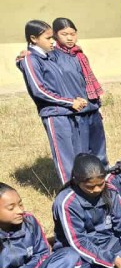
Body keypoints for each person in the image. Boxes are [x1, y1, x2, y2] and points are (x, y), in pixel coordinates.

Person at [16, 20, 94, 183]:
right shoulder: (30, 59)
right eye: (48, 38)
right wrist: (69, 102)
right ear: (33, 38)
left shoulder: (49, 57)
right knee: (65, 157)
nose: (52, 41)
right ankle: (69, 193)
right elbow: (39, 90)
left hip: (69, 111)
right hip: (55, 114)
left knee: (78, 155)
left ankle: (82, 188)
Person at [0, 183, 83, 268]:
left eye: (20, 204)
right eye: (11, 208)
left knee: (70, 254)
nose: (20, 210)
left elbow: (43, 253)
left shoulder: (29, 221)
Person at [52, 17, 108, 167]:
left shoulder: (80, 55)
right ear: (55, 35)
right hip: (76, 112)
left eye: (73, 33)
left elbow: (88, 81)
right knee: (82, 153)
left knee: (100, 151)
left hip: (92, 108)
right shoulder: (52, 56)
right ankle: (85, 183)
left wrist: (98, 106)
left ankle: (104, 179)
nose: (70, 38)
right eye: (64, 34)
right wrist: (22, 59)